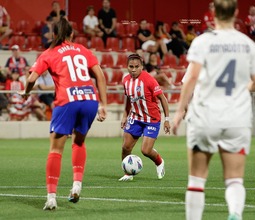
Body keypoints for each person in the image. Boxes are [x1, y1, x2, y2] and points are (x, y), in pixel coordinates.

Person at [172, 0, 255, 219]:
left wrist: (179, 111)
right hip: (236, 118)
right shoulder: (247, 44)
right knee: (234, 179)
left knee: (196, 179)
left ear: (213, 12)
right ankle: (234, 212)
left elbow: (192, 77)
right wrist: (245, 88)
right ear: (237, 13)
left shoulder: (202, 42)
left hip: (206, 117)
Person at [20, 18, 107, 210]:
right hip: (89, 100)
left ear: (54, 34)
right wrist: (103, 104)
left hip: (67, 101)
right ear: (72, 34)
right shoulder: (83, 50)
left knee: (56, 150)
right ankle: (77, 185)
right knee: (79, 141)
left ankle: (51, 198)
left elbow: (32, 78)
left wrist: (26, 92)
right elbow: (100, 76)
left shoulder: (49, 53)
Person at [119, 53, 170, 181]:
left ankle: (159, 162)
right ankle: (128, 173)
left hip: (151, 119)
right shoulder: (125, 80)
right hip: (135, 117)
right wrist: (125, 115)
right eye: (131, 66)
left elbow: (163, 99)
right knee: (126, 147)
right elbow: (128, 100)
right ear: (127, 67)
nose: (134, 69)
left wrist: (167, 120)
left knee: (146, 151)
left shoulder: (149, 80)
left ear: (142, 67)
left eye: (137, 66)